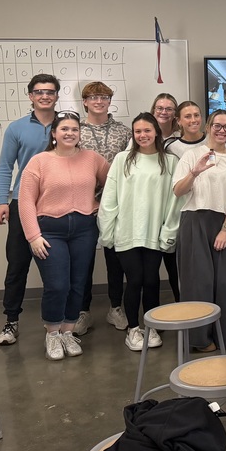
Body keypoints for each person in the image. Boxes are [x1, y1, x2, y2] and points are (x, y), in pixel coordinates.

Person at [19, 111, 110, 360]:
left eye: (74, 129)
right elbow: (25, 202)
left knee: (78, 283)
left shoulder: (92, 159)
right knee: (57, 285)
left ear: (80, 134)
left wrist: (103, 207)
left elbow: (113, 184)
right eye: (64, 129)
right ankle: (52, 333)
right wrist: (33, 237)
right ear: (54, 134)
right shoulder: (39, 162)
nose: (70, 133)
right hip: (49, 231)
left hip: (84, 229)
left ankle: (68, 332)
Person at [98, 113, 181, 352]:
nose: (142, 135)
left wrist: (169, 231)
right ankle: (133, 329)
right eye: (138, 132)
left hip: (154, 232)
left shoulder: (170, 161)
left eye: (147, 130)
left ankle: (151, 325)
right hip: (126, 232)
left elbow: (174, 202)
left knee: (152, 280)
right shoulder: (123, 159)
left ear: (156, 131)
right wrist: (107, 232)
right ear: (133, 135)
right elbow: (110, 198)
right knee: (135, 280)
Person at [172, 110, 226, 351]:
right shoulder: (191, 155)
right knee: (198, 282)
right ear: (208, 127)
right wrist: (194, 172)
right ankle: (199, 339)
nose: (221, 130)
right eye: (217, 125)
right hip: (194, 222)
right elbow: (177, 191)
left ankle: (225, 335)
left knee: (225, 283)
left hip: (221, 224)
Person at [0, 73, 60, 347]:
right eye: (39, 91)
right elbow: (6, 166)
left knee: (57, 268)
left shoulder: (66, 125)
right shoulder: (16, 128)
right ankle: (11, 321)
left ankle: (59, 324)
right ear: (30, 95)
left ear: (57, 95)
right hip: (23, 203)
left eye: (50, 91)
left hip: (57, 204)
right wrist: (1, 200)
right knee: (17, 265)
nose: (45, 95)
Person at [75, 81, 131, 336]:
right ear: (85, 101)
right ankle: (82, 311)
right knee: (83, 260)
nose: (99, 101)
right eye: (94, 97)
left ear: (110, 101)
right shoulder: (75, 131)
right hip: (83, 204)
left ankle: (115, 307)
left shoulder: (124, 132)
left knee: (115, 259)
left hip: (116, 204)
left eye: (104, 97)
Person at [157, 100, 206, 305]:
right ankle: (183, 306)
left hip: (207, 210)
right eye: (188, 116)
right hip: (179, 212)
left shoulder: (214, 140)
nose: (193, 120)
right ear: (178, 121)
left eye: (196, 115)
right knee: (180, 267)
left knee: (204, 266)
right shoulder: (170, 146)